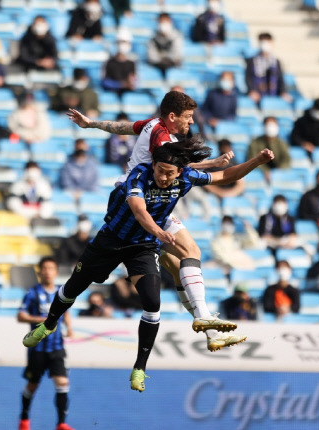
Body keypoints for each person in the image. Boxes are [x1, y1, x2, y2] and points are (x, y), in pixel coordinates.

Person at [23, 138, 274, 392]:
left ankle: (139, 368)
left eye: (169, 173)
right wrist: (160, 232)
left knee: (153, 303)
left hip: (142, 248)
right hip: (110, 240)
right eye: (160, 171)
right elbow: (139, 210)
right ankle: (49, 324)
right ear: (153, 164)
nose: (164, 177)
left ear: (179, 172)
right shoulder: (139, 176)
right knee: (73, 288)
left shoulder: (186, 177)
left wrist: (257, 161)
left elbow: (223, 176)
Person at [67, 90, 235, 332]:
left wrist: (91, 123)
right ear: (172, 116)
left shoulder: (153, 124)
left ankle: (206, 324)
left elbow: (123, 127)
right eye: (187, 116)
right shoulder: (164, 140)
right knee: (190, 250)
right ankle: (204, 317)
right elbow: (176, 169)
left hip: (137, 196)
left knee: (179, 268)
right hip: (147, 199)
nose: (191, 121)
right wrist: (213, 164)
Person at [18, 256, 74, 430]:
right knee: (33, 385)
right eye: (44, 268)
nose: (47, 272)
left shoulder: (62, 292)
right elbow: (21, 315)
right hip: (38, 349)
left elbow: (66, 313)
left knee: (62, 383)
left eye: (51, 268)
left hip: (57, 348)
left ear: (56, 272)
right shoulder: (32, 293)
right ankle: (24, 418)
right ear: (40, 272)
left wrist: (70, 328)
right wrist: (42, 319)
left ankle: (61, 423)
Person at [245, 32, 290, 104]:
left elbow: (280, 78)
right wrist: (252, 91)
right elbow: (248, 78)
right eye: (263, 42)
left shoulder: (276, 61)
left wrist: (283, 92)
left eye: (267, 42)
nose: (265, 44)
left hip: (273, 93)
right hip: (258, 95)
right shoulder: (252, 61)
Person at [102, 28, 136, 94]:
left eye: (125, 42)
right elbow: (105, 82)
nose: (123, 45)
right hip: (111, 94)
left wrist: (132, 82)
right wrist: (122, 84)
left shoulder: (132, 63)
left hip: (128, 95)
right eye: (120, 42)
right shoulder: (109, 62)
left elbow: (135, 83)